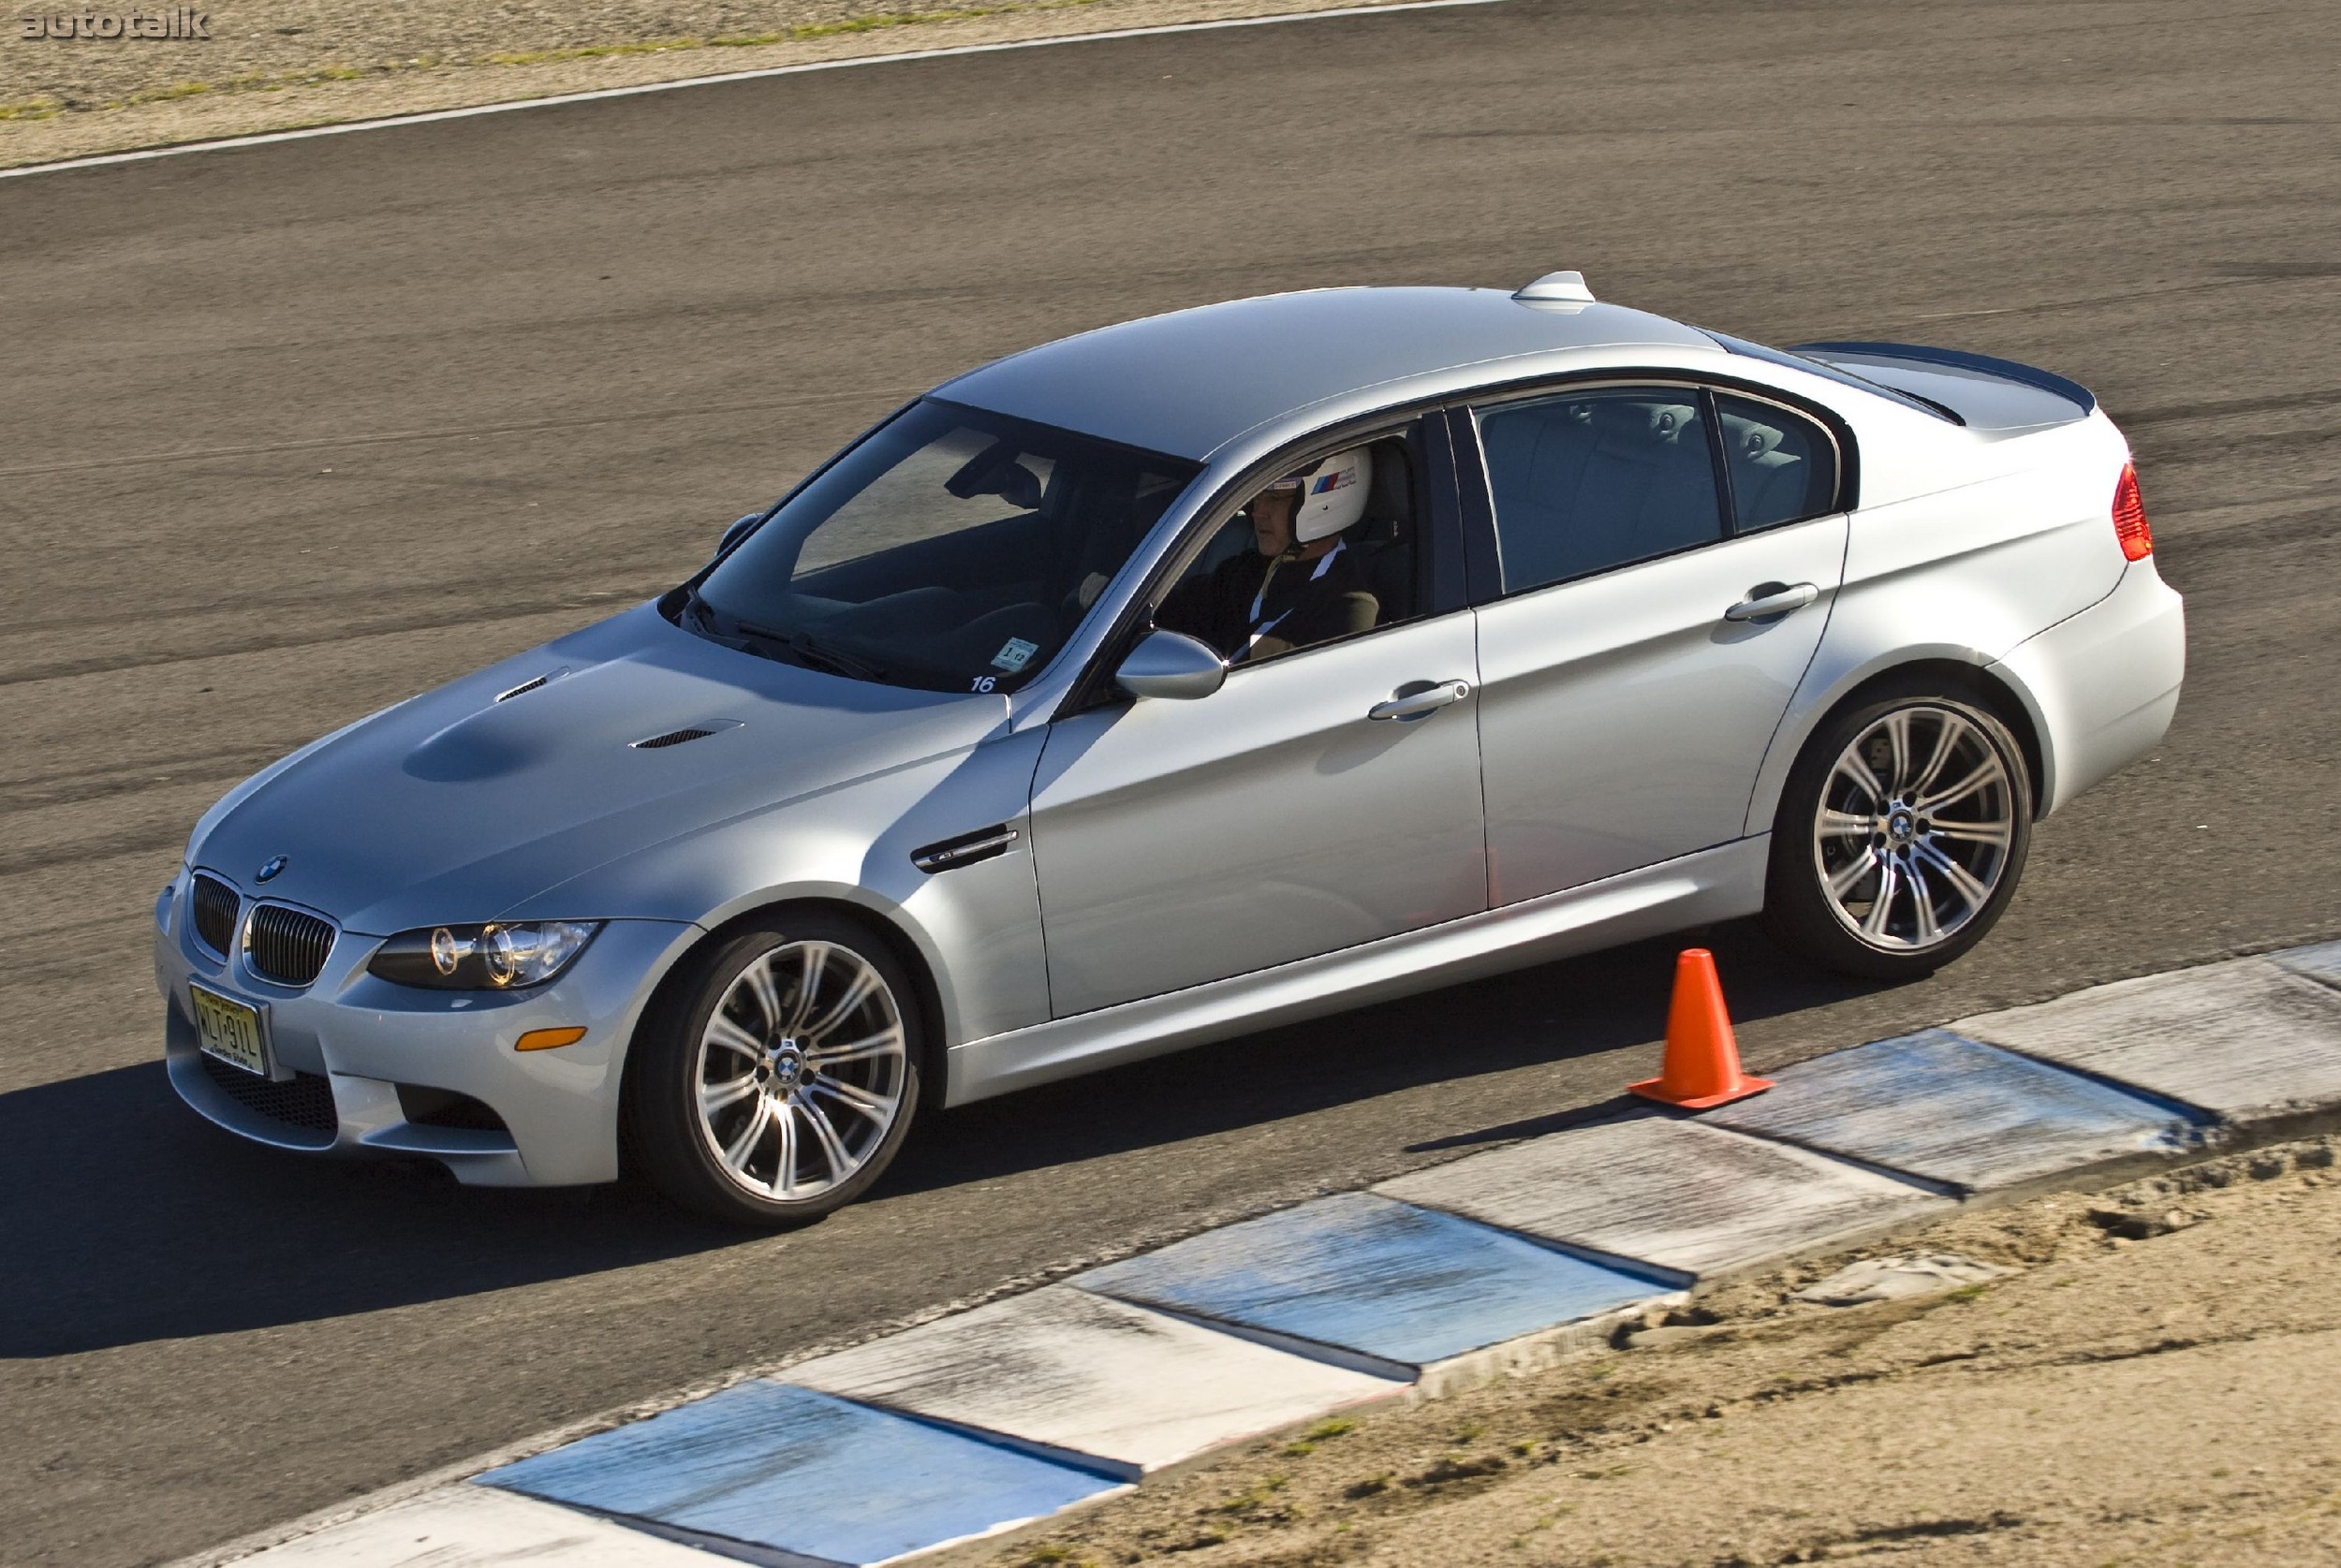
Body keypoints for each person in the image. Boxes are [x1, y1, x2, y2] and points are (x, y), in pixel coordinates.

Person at [1156, 447, 1379, 663]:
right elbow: (1164, 616)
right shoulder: (1243, 572)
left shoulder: (1348, 610)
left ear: (1326, 500)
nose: (1258, 511)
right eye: (1258, 495)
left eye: (1276, 496)